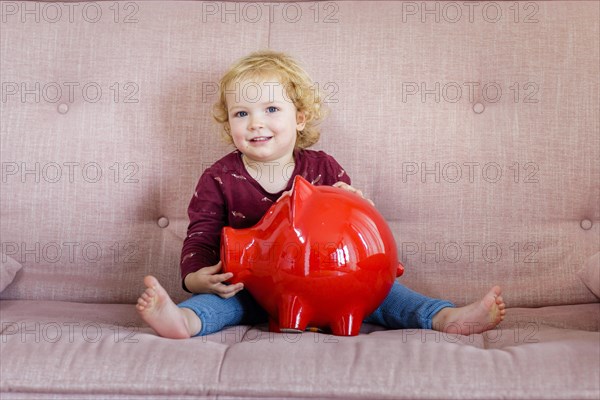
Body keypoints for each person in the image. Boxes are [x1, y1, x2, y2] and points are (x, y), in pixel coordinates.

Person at [136, 50, 506, 339]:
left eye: (271, 109)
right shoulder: (218, 178)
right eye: (241, 113)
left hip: (332, 286)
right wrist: (197, 278)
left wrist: (357, 203)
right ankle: (183, 320)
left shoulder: (324, 169)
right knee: (217, 303)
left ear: (299, 118)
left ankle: (444, 317)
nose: (255, 122)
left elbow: (355, 229)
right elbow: (200, 235)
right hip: (250, 288)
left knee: (388, 294)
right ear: (228, 121)